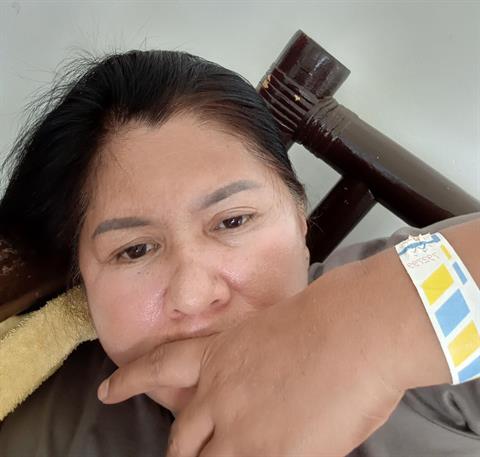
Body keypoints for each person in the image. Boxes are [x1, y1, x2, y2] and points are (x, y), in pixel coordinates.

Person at [0, 49, 479, 457]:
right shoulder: (46, 424)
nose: (193, 294)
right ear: (81, 279)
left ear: (299, 219)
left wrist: (376, 330)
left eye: (233, 221)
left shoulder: (424, 295)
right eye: (135, 250)